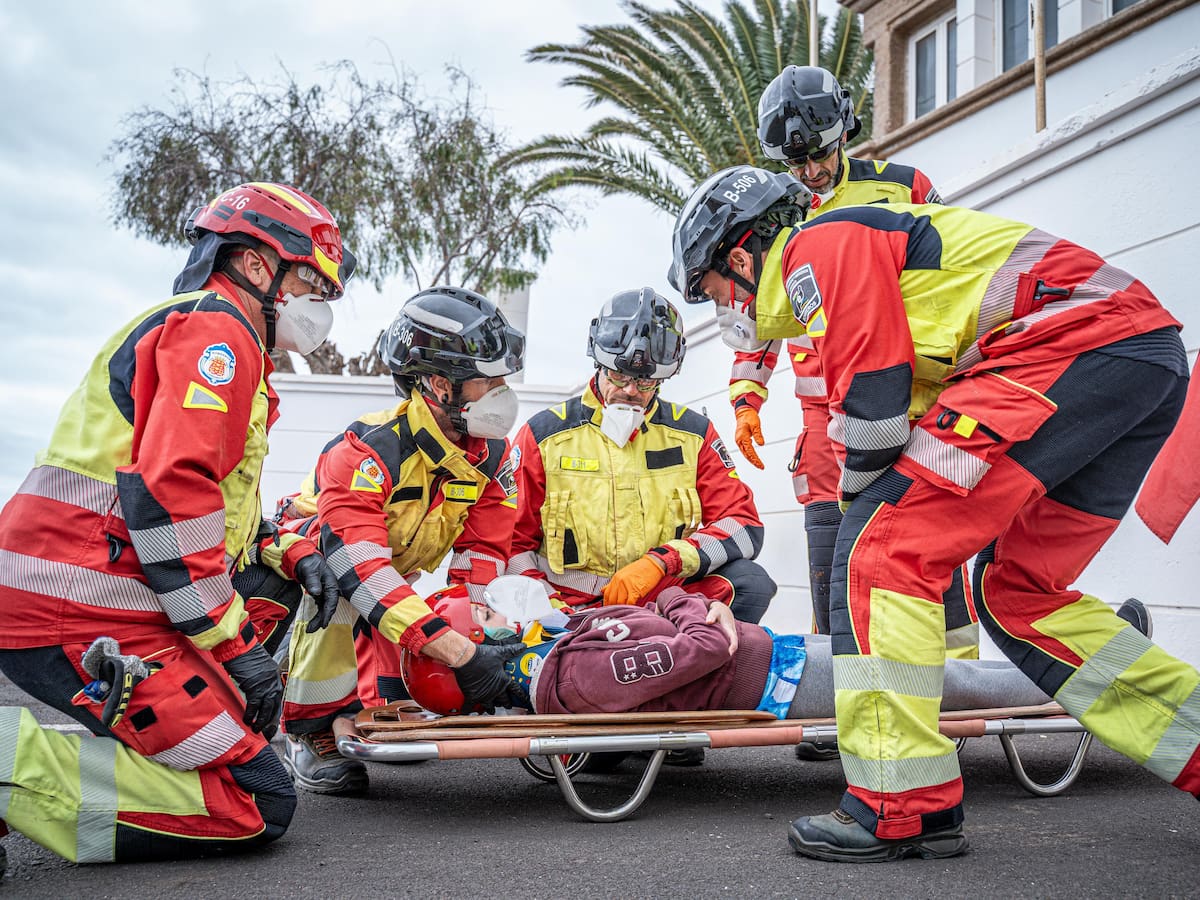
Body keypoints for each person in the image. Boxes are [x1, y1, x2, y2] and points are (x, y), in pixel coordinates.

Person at [669, 164, 1200, 862]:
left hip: (1068, 343)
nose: (723, 309)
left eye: (712, 291)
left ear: (740, 257)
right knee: (1017, 594)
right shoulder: (866, 255)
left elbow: (876, 405)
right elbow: (911, 405)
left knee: (881, 550)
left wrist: (862, 502)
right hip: (1132, 354)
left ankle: (901, 805)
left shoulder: (818, 247)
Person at [0, 182, 353, 862]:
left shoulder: (211, 334)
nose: (319, 306)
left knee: (237, 768)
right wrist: (235, 649)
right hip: (79, 604)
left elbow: (219, 511)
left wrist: (285, 553)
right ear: (257, 266)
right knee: (254, 801)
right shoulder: (217, 333)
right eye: (312, 282)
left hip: (94, 594)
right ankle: (10, 765)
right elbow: (170, 497)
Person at [731, 66, 975, 656]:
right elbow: (764, 304)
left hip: (917, 391)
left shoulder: (904, 185)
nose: (810, 172)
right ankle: (839, 682)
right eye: (796, 164)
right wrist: (747, 395)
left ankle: (964, 683)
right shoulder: (779, 211)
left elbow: (955, 271)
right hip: (822, 409)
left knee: (935, 527)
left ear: (844, 132)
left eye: (818, 155)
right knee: (832, 541)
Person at [275, 286, 526, 796]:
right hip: (299, 573)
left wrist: (483, 634)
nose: (502, 392)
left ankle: (360, 697)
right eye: (488, 380)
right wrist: (456, 653)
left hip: (385, 578)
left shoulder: (493, 457)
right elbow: (359, 568)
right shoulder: (367, 452)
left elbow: (483, 554)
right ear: (439, 385)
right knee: (335, 583)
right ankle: (309, 728)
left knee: (390, 700)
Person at [402, 581, 1150, 723]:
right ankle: (1115, 682)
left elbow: (693, 633)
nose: (508, 612)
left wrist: (676, 603)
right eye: (492, 617)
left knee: (955, 670)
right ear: (489, 659)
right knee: (965, 685)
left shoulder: (566, 653)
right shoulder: (580, 678)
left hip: (784, 657)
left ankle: (1108, 659)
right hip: (789, 684)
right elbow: (700, 647)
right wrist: (687, 601)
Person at [506, 288, 776, 625]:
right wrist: (545, 609)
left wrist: (664, 562)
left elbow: (744, 527)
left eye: (646, 382)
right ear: (598, 363)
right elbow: (511, 542)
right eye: (619, 376)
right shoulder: (545, 435)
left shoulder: (693, 434)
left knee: (752, 582)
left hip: (665, 601)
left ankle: (704, 667)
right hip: (571, 609)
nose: (632, 391)